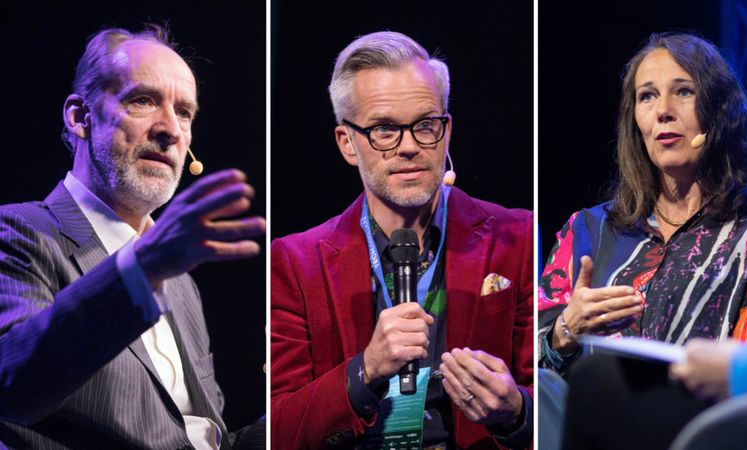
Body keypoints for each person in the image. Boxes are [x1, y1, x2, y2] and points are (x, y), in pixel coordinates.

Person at [0, 25, 266, 449]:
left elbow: (202, 437)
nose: (171, 130)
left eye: (184, 112)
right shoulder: (18, 232)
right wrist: (143, 268)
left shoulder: (180, 283)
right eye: (143, 100)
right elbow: (11, 387)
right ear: (80, 117)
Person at [270, 31, 533, 449]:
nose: (410, 146)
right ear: (348, 144)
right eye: (385, 130)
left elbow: (555, 398)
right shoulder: (294, 262)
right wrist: (365, 370)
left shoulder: (518, 238)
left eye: (426, 125)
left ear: (446, 132)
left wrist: (518, 410)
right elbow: (277, 430)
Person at [537, 32, 747, 449]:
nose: (663, 111)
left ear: (720, 112)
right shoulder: (586, 230)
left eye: (683, 92)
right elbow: (528, 370)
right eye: (647, 96)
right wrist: (566, 330)